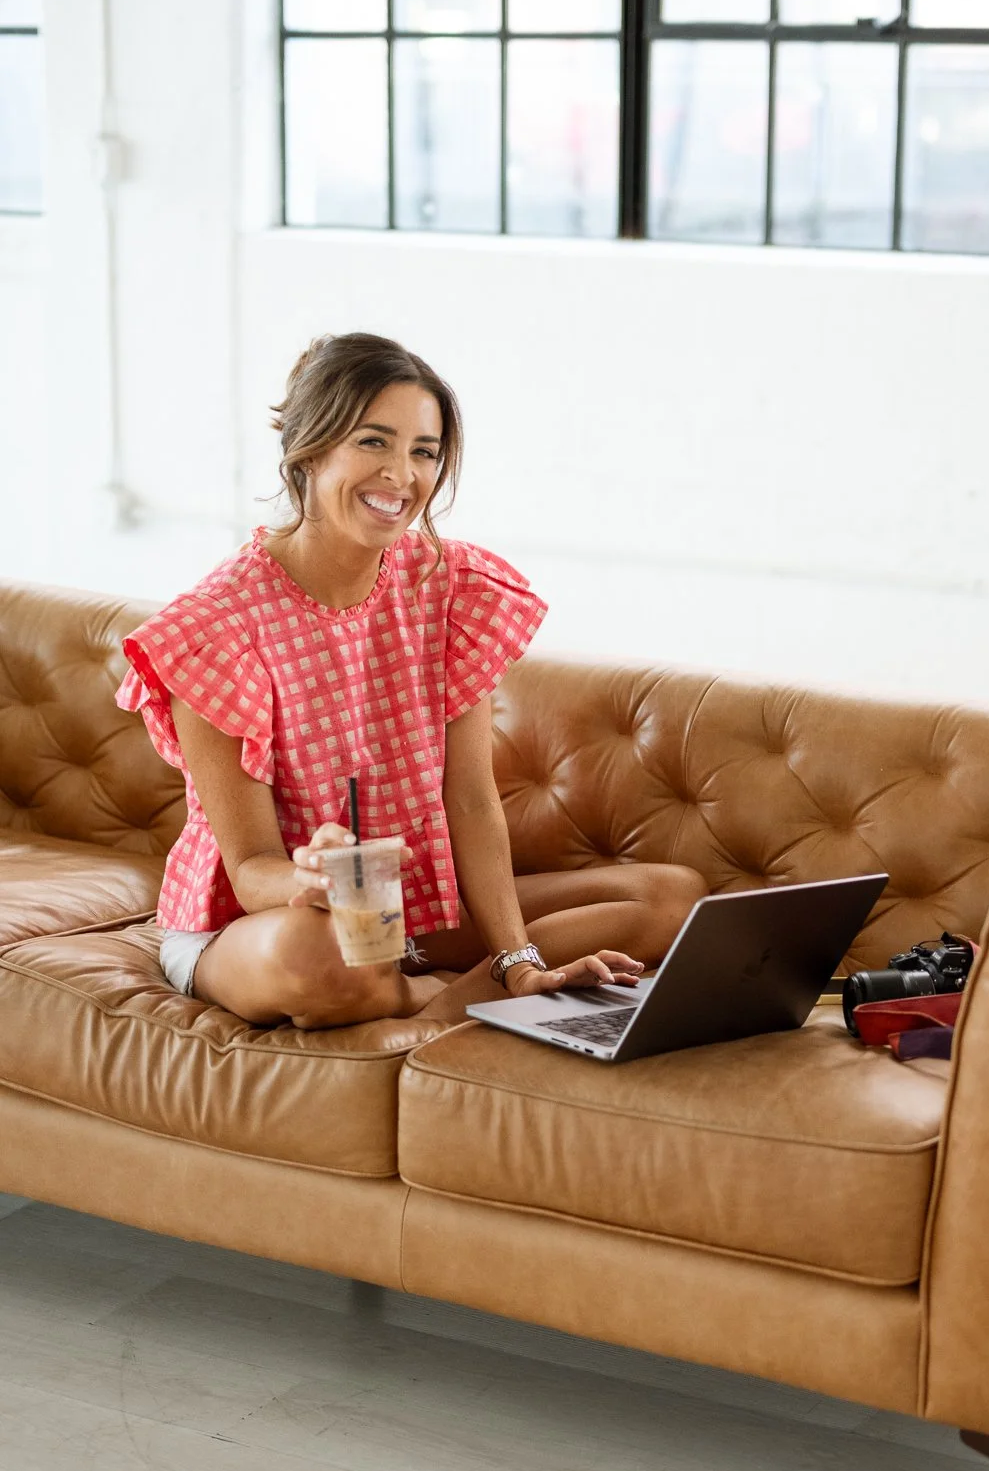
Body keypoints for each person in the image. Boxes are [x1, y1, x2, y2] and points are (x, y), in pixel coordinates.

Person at [116, 332, 705, 1028]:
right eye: (373, 442)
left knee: (673, 899)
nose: (401, 475)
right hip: (261, 925)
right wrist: (310, 877)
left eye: (423, 452)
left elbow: (473, 802)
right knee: (315, 956)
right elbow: (249, 871)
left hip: (404, 916)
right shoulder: (217, 628)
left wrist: (519, 958)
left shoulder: (447, 587)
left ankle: (466, 987)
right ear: (309, 448)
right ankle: (433, 1000)